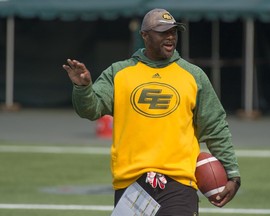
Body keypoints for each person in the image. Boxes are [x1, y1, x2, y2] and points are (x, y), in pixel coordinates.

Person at [63, 8, 241, 216]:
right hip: (131, 185)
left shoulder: (194, 75)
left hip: (179, 184)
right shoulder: (119, 72)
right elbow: (90, 110)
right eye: (162, 31)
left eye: (173, 32)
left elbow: (215, 127)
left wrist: (233, 173)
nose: (170, 37)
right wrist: (83, 88)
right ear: (144, 35)